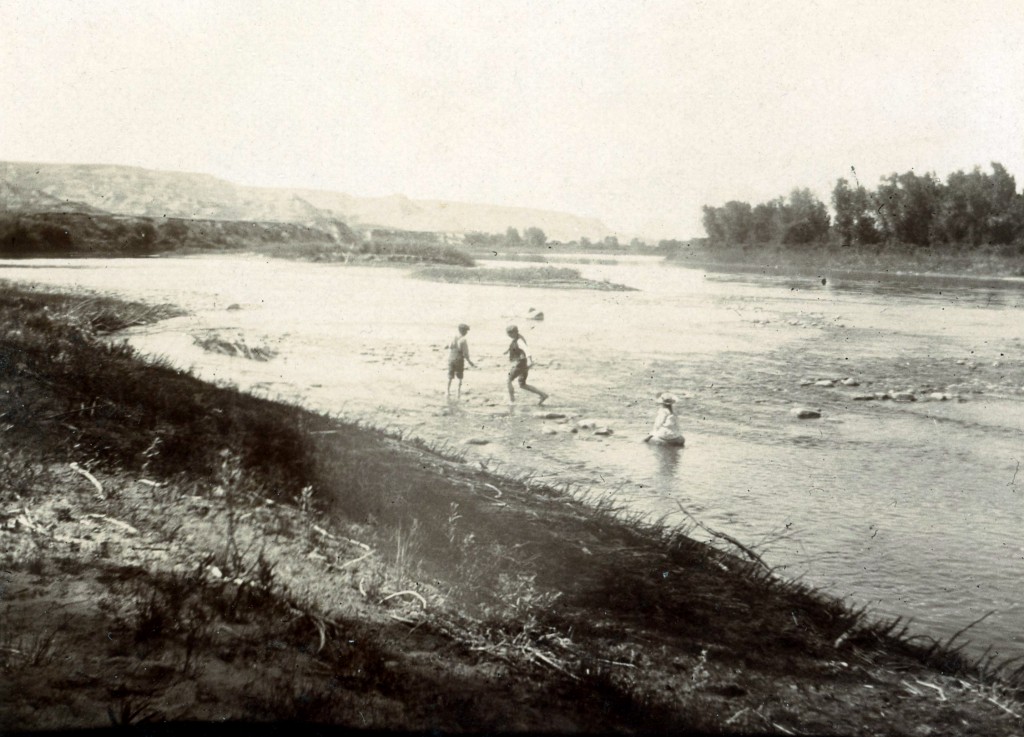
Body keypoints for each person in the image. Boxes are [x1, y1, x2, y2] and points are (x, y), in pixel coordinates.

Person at [504, 324, 548, 405]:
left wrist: (531, 360)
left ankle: (511, 401)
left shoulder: (519, 341)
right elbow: (513, 344)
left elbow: (527, 350)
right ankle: (543, 395)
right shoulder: (517, 337)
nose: (509, 336)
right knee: (522, 384)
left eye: (509, 334)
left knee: (508, 380)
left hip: (520, 364)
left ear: (514, 333)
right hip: (524, 364)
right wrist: (507, 351)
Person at [446, 323, 476, 398]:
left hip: (451, 357)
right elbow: (465, 353)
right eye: (466, 331)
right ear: (463, 331)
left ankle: (447, 391)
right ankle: (458, 392)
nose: (466, 333)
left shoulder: (453, 337)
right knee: (460, 376)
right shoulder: (463, 340)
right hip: (459, 358)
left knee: (450, 375)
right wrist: (470, 362)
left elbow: (448, 346)